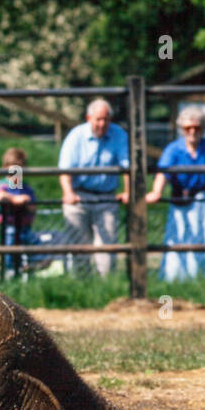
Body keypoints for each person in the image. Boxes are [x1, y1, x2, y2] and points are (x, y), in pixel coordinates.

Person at [145, 105, 205, 281]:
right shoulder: (173, 149)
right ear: (182, 130)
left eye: (197, 128)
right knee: (180, 236)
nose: (192, 132)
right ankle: (177, 278)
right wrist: (156, 192)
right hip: (181, 199)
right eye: (188, 128)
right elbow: (164, 172)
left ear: (203, 129)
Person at [58, 98, 130, 277]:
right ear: (88, 118)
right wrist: (68, 193)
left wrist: (128, 191)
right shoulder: (76, 136)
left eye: (106, 119)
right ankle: (81, 286)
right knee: (78, 245)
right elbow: (64, 168)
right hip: (79, 196)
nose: (102, 123)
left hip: (107, 196)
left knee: (107, 245)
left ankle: (106, 285)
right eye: (98, 119)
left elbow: (127, 167)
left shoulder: (119, 135)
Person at [0, 147, 37, 281]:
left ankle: (26, 272)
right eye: (12, 170)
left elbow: (33, 206)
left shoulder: (26, 188)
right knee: (10, 248)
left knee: (27, 249)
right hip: (10, 225)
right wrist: (14, 199)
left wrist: (27, 202)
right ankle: (9, 270)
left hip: (25, 226)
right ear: (5, 168)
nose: (15, 174)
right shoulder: (3, 185)